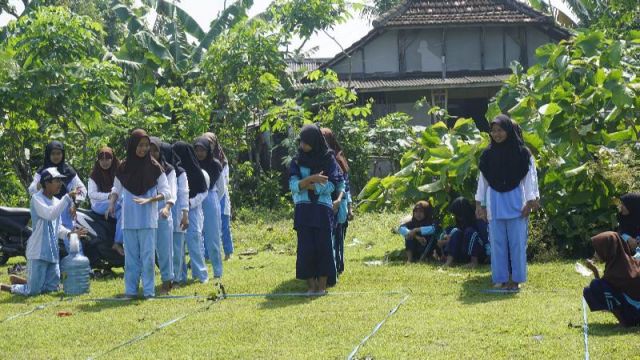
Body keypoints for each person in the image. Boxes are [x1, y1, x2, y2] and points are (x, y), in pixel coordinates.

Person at [476, 115, 539, 290]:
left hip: (517, 202)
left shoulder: (522, 153)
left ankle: (517, 279)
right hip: (494, 202)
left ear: (508, 131)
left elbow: (529, 179)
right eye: (493, 130)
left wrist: (530, 201)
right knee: (497, 243)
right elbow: (483, 181)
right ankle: (500, 278)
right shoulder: (488, 154)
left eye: (500, 130)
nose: (496, 134)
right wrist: (480, 205)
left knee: (517, 243)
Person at [1, 168, 84, 295]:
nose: (60, 184)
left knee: (50, 289)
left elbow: (58, 227)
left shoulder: (57, 202)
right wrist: (67, 198)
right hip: (38, 252)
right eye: (57, 180)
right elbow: (49, 214)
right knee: (33, 292)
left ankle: (25, 282)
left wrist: (69, 233)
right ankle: (9, 288)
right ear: (46, 183)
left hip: (52, 253)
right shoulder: (36, 199)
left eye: (61, 181)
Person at [108, 129, 170, 298]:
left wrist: (150, 200)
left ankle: (149, 291)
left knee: (148, 257)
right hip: (129, 219)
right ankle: (131, 291)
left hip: (148, 219)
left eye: (146, 146)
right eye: (140, 145)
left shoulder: (155, 167)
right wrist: (112, 202)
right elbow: (116, 188)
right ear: (132, 146)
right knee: (131, 259)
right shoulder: (123, 167)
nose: (143, 149)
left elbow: (166, 192)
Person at [289, 124, 341, 295]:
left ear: (315, 141)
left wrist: (308, 185)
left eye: (306, 142)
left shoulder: (328, 159)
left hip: (322, 211)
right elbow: (293, 186)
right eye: (301, 142)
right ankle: (311, 287)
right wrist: (313, 179)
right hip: (303, 210)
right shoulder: (296, 161)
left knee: (323, 248)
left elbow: (332, 185)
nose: (302, 146)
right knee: (306, 249)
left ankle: (322, 287)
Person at [28, 141, 87, 251]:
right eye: (53, 153)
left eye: (58, 153)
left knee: (72, 241)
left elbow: (81, 189)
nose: (56, 156)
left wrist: (76, 204)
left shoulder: (68, 171)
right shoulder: (42, 171)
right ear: (48, 155)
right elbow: (31, 190)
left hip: (65, 211)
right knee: (47, 240)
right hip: (46, 208)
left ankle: (76, 265)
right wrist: (40, 184)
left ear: (63, 154)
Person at [583, 232, 640, 327]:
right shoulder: (626, 262)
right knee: (596, 287)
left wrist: (595, 270)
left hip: (635, 313)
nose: (595, 254)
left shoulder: (616, 272)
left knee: (594, 286)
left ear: (608, 249)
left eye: (598, 250)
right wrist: (595, 270)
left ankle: (626, 322)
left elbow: (602, 288)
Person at [172, 141, 209, 284]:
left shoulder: (196, 171)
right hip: (176, 211)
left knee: (194, 242)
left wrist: (190, 203)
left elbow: (204, 192)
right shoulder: (173, 171)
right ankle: (180, 276)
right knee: (178, 246)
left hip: (192, 212)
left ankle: (200, 275)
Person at [320, 128, 352, 275]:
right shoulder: (320, 158)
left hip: (338, 204)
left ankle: (337, 266)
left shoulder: (337, 160)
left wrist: (348, 206)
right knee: (330, 238)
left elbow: (345, 185)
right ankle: (333, 266)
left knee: (337, 237)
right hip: (328, 204)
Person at [194, 136, 224, 281]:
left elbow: (221, 188)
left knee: (213, 237)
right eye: (197, 150)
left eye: (202, 150)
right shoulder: (192, 164)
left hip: (211, 198)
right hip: (195, 201)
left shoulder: (215, 164)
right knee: (197, 237)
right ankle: (199, 272)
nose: (199, 153)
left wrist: (213, 201)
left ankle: (217, 270)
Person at [149, 137, 177, 294]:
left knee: (165, 249)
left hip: (163, 211)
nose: (152, 153)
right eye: (149, 150)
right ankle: (148, 282)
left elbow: (171, 193)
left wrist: (167, 207)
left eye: (155, 150)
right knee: (147, 250)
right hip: (145, 211)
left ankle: (167, 280)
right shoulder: (142, 169)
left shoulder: (168, 169)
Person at [161, 142, 190, 286]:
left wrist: (185, 214)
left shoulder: (179, 172)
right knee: (166, 250)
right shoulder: (159, 171)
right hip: (164, 216)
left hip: (177, 212)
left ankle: (178, 278)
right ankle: (171, 276)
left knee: (178, 250)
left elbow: (184, 194)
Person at [87, 147, 124, 256]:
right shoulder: (94, 174)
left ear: (113, 159)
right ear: (98, 160)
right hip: (99, 205)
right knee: (123, 204)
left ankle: (117, 242)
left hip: (117, 204)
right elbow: (92, 194)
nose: (105, 162)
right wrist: (109, 196)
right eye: (101, 159)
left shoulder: (119, 171)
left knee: (123, 212)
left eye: (108, 159)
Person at [204, 132, 234, 261]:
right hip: (206, 196)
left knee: (224, 225)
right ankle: (207, 254)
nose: (209, 145)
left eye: (210, 143)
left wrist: (217, 196)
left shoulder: (222, 161)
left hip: (221, 196)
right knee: (206, 227)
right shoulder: (201, 159)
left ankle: (227, 252)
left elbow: (224, 181)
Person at [438, 197, 489, 268]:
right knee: (456, 232)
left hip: (479, 252)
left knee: (470, 231)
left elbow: (485, 239)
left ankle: (474, 262)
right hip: (465, 252)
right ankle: (449, 261)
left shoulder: (478, 220)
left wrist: (489, 255)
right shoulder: (460, 222)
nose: (457, 217)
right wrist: (446, 240)